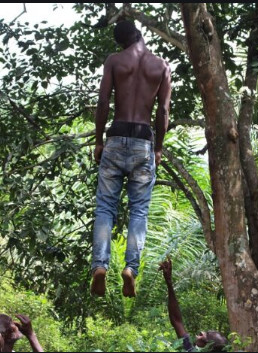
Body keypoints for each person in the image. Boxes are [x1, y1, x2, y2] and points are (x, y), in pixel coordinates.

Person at [90, 19, 171, 298]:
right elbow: (163, 113)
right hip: (143, 143)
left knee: (105, 208)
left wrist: (99, 140)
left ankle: (100, 266)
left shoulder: (114, 61)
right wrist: (158, 148)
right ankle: (130, 269)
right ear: (139, 35)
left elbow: (103, 103)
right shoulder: (161, 66)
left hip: (116, 137)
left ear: (121, 42)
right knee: (139, 210)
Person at [159, 259, 229, 352]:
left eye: (205, 335)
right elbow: (176, 320)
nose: (201, 332)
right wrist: (169, 282)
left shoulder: (191, 350)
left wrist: (169, 282)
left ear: (209, 346)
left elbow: (176, 320)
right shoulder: (190, 348)